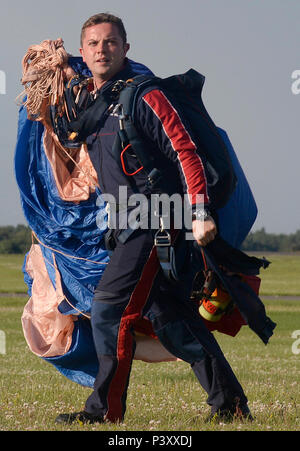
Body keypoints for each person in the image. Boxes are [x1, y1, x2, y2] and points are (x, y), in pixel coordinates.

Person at [55, 13, 253, 424]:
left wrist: (199, 211)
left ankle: (103, 413)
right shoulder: (93, 105)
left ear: (126, 48)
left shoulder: (144, 96)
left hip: (156, 222)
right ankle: (230, 404)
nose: (101, 50)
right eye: (93, 44)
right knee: (171, 319)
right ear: (83, 52)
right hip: (127, 225)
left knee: (110, 308)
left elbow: (186, 152)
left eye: (110, 42)